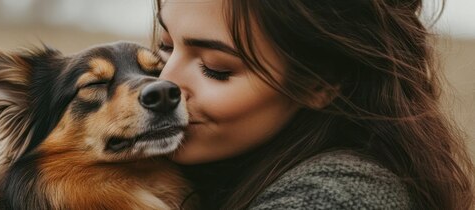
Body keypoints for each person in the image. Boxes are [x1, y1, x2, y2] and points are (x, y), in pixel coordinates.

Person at [152, 0, 475, 209]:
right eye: (165, 47)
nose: (164, 81)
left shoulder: (340, 196)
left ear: (318, 83)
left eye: (216, 67)